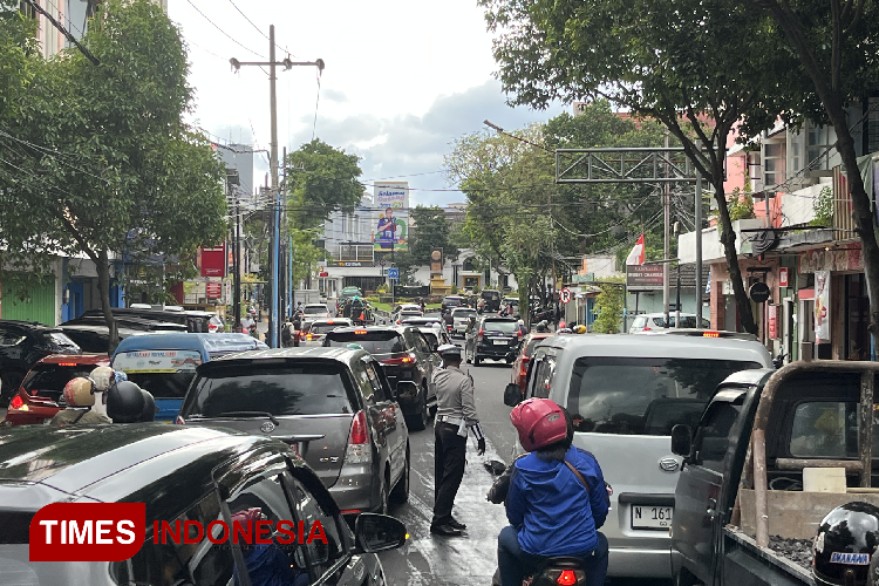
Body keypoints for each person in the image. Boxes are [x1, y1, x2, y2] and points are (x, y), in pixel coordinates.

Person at [498, 398, 609, 586]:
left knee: (505, 537)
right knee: (602, 544)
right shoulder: (587, 461)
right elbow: (600, 512)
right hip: (582, 551)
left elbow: (514, 516)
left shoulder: (523, 466)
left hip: (535, 551)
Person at [431, 343, 486, 537]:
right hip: (454, 430)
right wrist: (480, 437)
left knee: (441, 472)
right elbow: (469, 413)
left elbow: (439, 367)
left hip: (439, 427)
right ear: (460, 360)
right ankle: (439, 520)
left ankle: (443, 514)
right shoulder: (463, 381)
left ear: (445, 360)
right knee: (453, 475)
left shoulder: (437, 376)